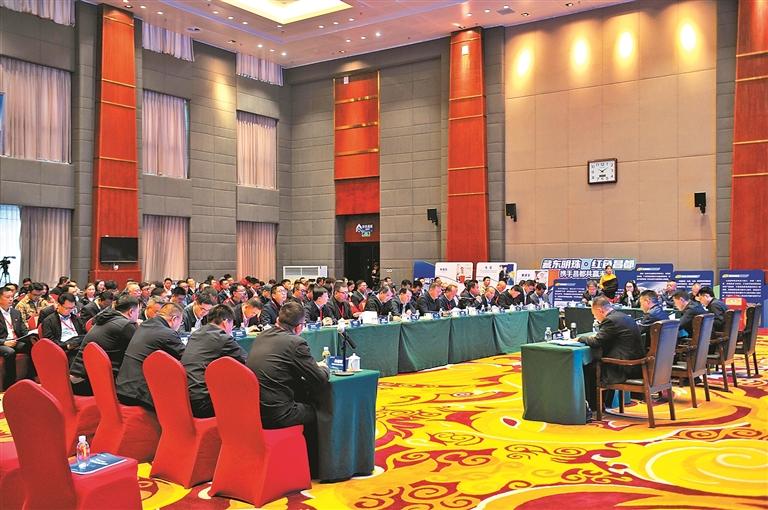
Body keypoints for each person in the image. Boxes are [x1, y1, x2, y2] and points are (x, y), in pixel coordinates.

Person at [246, 301, 330, 473]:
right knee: (321, 411)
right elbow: (319, 378)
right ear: (299, 327)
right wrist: (324, 368)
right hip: (277, 413)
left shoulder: (262, 336)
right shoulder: (296, 343)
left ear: (278, 320)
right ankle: (315, 468)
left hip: (254, 410)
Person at [579, 297, 645, 411]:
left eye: (594, 315)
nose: (595, 318)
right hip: (637, 365)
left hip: (624, 367)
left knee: (588, 368)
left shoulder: (610, 320)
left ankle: (595, 407)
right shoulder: (623, 316)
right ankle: (605, 403)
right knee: (596, 364)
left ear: (600, 311)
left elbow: (596, 342)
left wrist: (580, 339)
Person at [181, 305, 247, 418]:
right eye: (232, 324)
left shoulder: (196, 334)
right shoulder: (222, 338)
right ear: (225, 322)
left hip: (186, 397)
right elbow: (246, 362)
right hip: (203, 401)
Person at [116, 303, 185, 409]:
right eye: (181, 323)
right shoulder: (168, 334)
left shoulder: (145, 324)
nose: (179, 326)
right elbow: (187, 358)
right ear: (174, 319)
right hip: (139, 395)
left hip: (123, 388)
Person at [68, 295, 140, 396]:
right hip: (91, 384)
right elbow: (137, 350)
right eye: (138, 311)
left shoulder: (105, 318)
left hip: (78, 377)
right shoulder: (125, 325)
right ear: (131, 312)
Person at [0, 286, 33, 389]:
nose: (11, 299)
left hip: (15, 341)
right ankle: (9, 384)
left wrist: (30, 335)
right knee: (10, 352)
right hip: (2, 343)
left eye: (12, 297)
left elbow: (23, 330)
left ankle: (30, 378)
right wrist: (4, 342)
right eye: (7, 297)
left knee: (32, 346)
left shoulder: (15, 312)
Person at [40, 292, 86, 359]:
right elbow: (49, 341)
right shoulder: (48, 321)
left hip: (78, 344)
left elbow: (84, 332)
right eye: (67, 308)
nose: (70, 311)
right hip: (63, 349)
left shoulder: (76, 318)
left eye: (72, 308)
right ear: (59, 305)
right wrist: (66, 346)